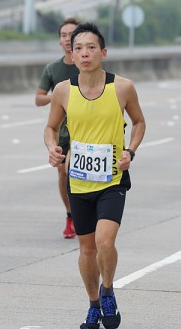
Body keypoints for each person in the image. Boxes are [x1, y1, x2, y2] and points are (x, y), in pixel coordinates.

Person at [44, 22, 146, 329]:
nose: (84, 53)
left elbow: (139, 122)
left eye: (91, 48)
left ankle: (108, 290)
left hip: (112, 179)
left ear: (103, 52)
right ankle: (93, 305)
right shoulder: (63, 91)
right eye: (78, 48)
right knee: (87, 249)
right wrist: (52, 148)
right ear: (72, 54)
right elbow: (51, 127)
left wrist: (130, 151)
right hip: (78, 180)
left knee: (104, 241)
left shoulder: (122, 88)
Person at [35, 17, 81, 239]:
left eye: (72, 35)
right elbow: (39, 98)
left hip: (85, 130)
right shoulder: (53, 69)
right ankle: (70, 216)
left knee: (75, 172)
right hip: (62, 132)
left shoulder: (88, 65)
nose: (67, 39)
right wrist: (58, 97)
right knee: (63, 174)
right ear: (59, 41)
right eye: (63, 35)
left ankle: (85, 214)